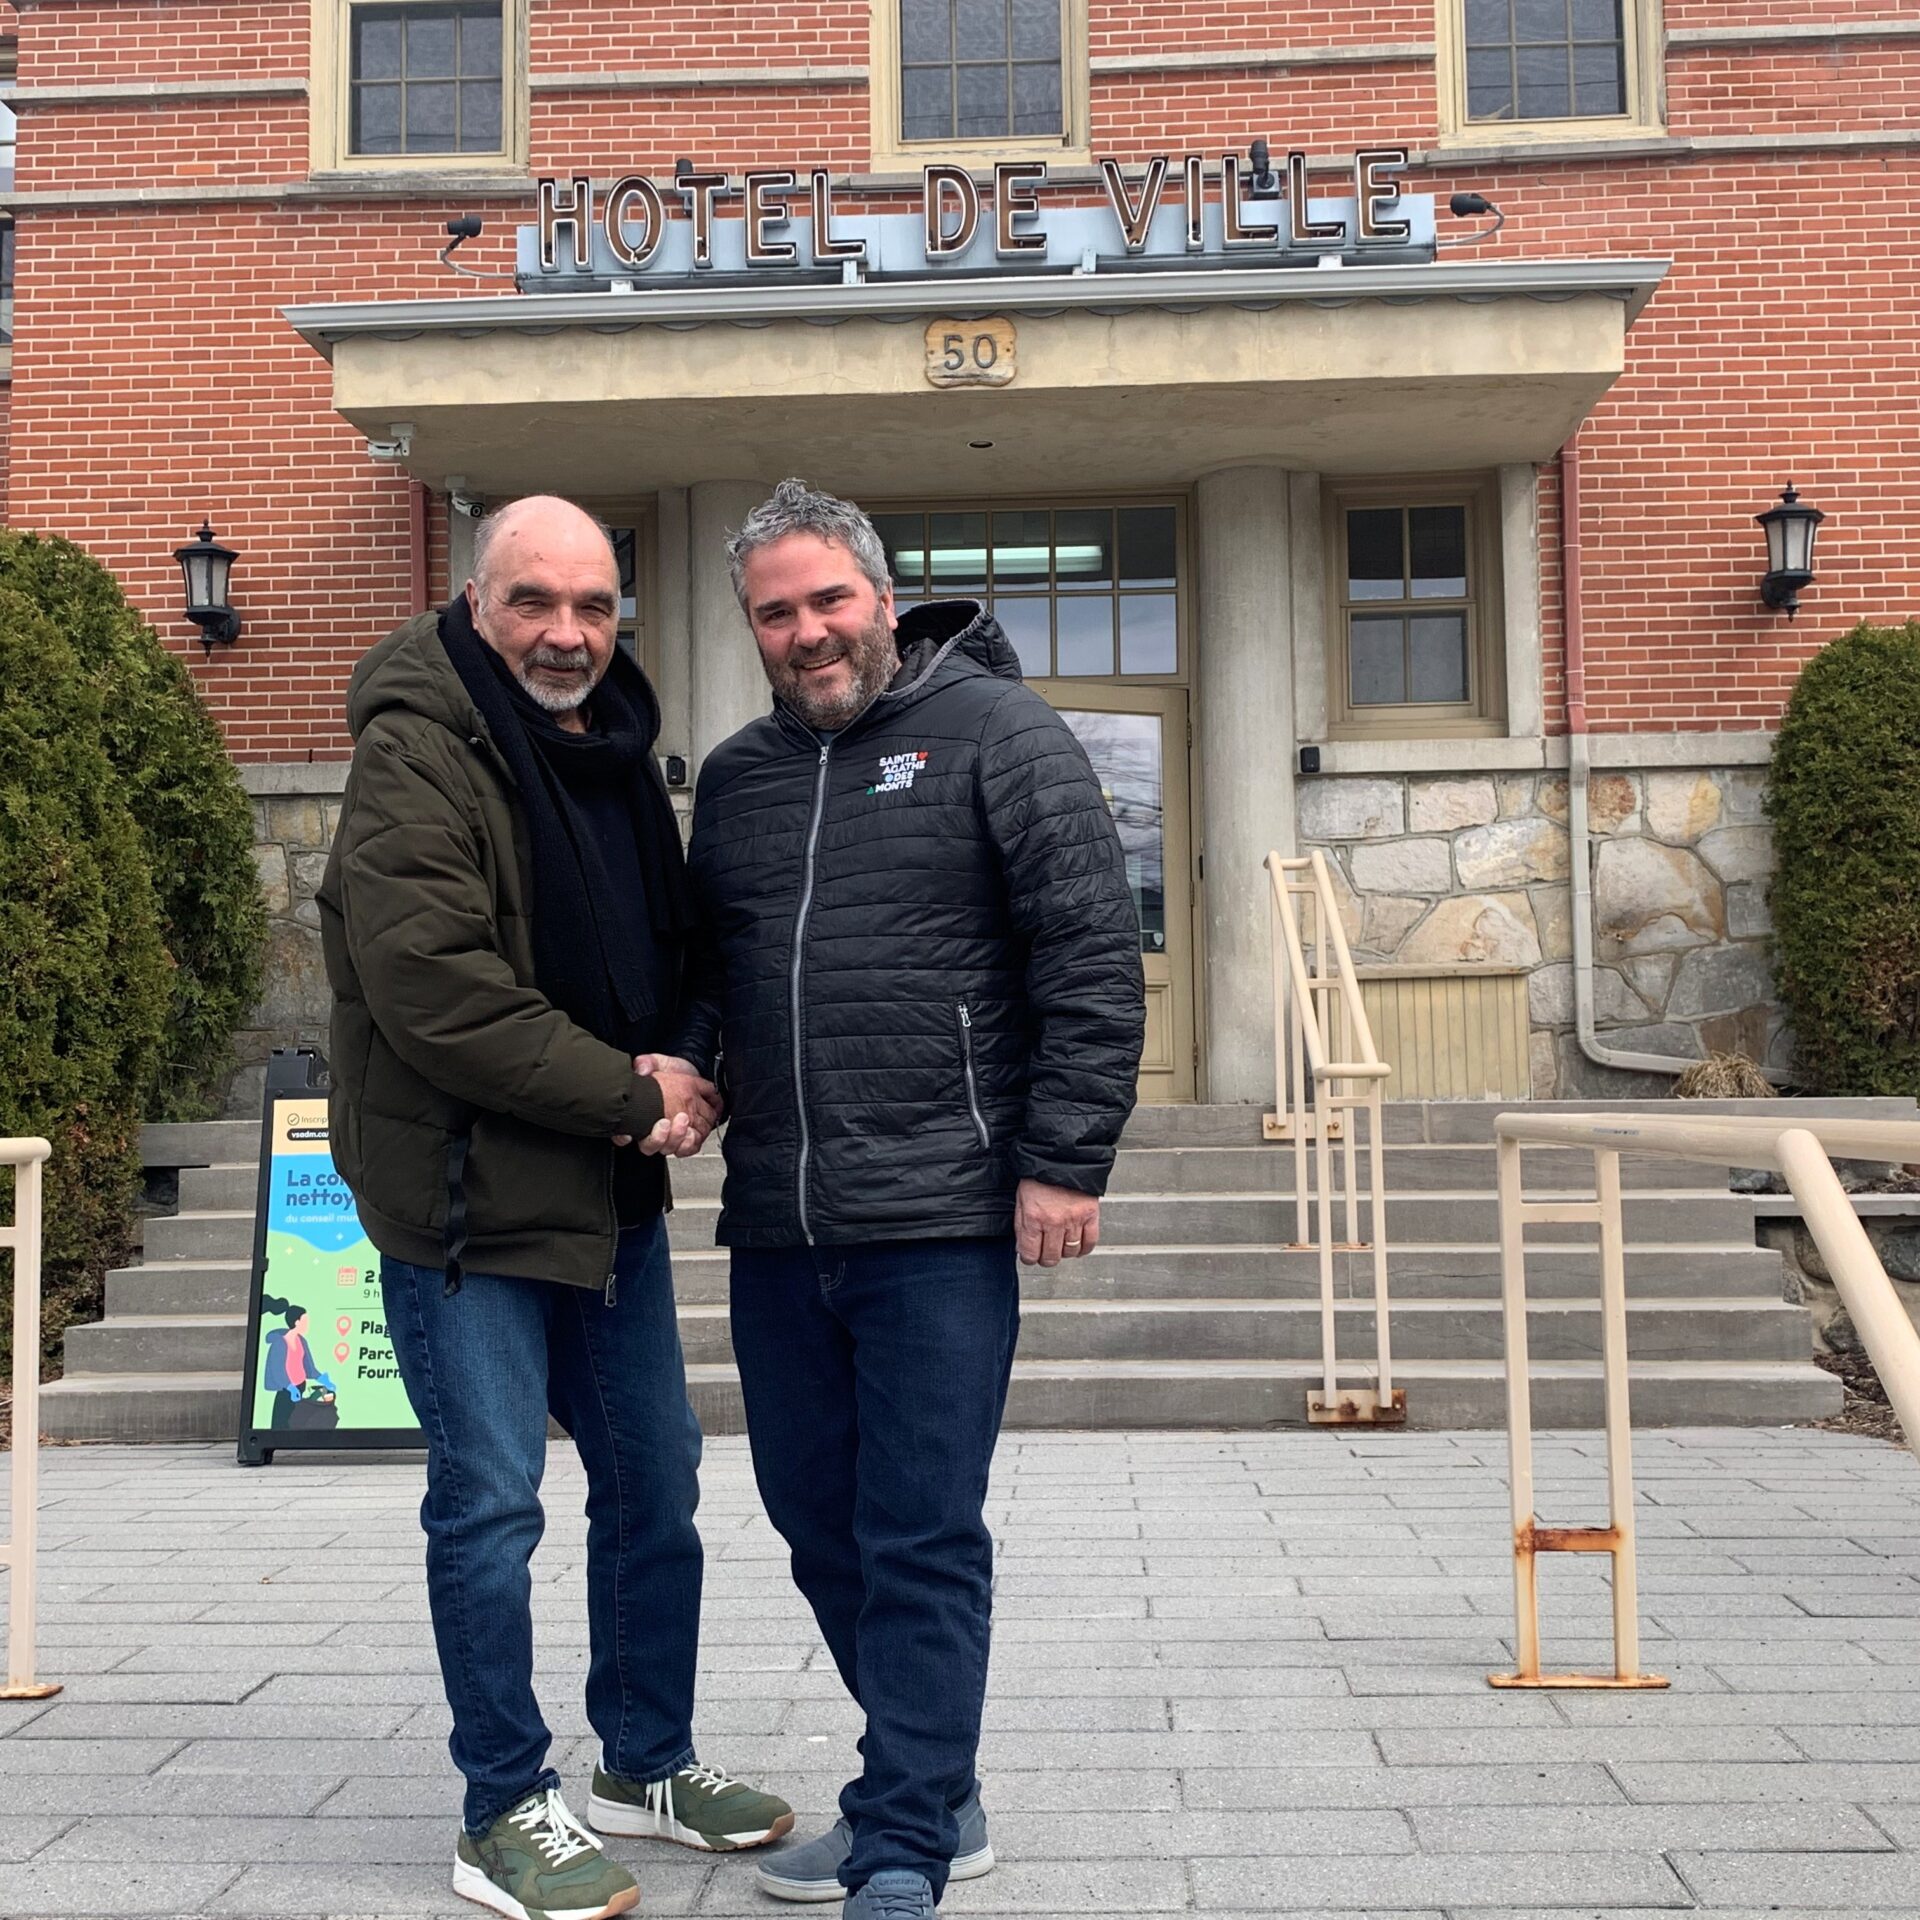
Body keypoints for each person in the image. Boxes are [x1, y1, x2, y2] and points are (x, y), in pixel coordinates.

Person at [674, 479, 1145, 1919]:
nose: (807, 631)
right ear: (752, 626)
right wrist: (691, 1073)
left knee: (919, 1527)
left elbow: (1090, 953)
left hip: (941, 1216)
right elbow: (713, 978)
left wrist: (1065, 1160)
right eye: (776, 611)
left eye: (828, 601)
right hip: (781, 1220)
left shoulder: (1003, 735)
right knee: (816, 1517)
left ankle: (902, 1841)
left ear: (883, 597)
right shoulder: (743, 778)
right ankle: (939, 1783)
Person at [318, 495, 791, 1920]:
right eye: (536, 602)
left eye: (594, 606)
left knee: (658, 1480)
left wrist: (690, 1062)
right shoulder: (414, 752)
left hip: (606, 1198)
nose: (569, 633)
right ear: (477, 604)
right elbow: (436, 993)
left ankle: (643, 1761)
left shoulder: (614, 751)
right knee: (491, 1506)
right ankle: (502, 1807)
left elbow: (686, 939)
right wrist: (630, 1091)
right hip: (466, 1209)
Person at [259, 1295, 334, 1429]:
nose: (307, 1324)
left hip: (300, 1387)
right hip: (285, 1391)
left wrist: (323, 1379)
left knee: (297, 1422)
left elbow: (309, 1367)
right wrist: (289, 1386)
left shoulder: (302, 1341)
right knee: (281, 1423)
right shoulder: (279, 1343)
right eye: (305, 1320)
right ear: (296, 1322)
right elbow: (277, 1371)